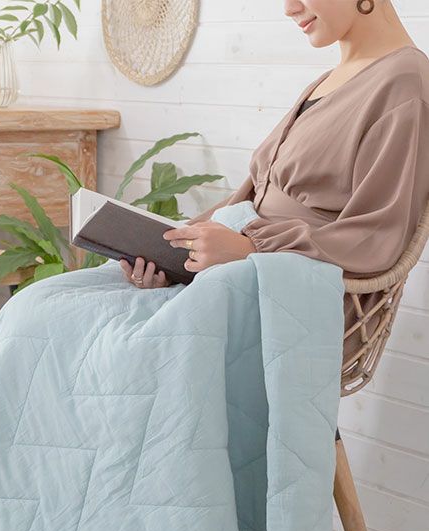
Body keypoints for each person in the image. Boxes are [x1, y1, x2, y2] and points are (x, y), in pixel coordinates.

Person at [121, 0, 429, 319]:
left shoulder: (405, 81)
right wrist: (175, 247)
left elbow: (376, 237)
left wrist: (252, 248)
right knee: (91, 300)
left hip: (293, 300)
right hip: (242, 276)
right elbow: (255, 193)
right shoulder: (329, 80)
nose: (289, 8)